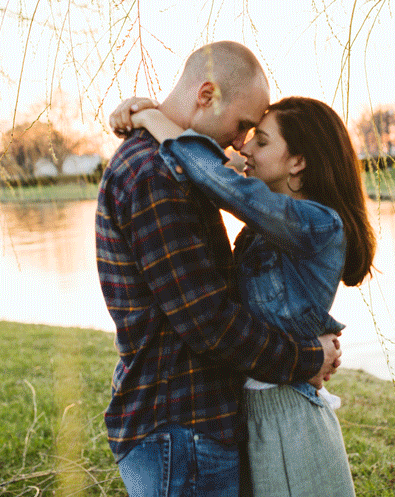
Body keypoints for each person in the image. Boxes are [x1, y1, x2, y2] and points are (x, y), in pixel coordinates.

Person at [96, 41, 341, 497]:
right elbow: (208, 322)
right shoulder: (156, 174)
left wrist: (147, 112)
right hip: (180, 426)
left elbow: (228, 178)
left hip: (188, 425)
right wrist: (306, 359)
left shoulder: (178, 167)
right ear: (206, 95)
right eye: (244, 125)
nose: (240, 142)